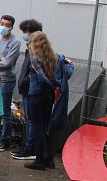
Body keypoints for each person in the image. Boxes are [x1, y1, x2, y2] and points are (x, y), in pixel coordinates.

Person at [26, 32, 73, 171]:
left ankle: (39, 159)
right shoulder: (55, 57)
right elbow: (68, 72)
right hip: (50, 96)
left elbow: (40, 77)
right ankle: (49, 159)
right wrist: (54, 86)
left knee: (37, 127)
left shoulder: (35, 58)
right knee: (47, 126)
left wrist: (50, 85)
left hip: (37, 94)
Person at [0, 14, 21, 152]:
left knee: (5, 111)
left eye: (7, 25)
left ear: (12, 27)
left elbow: (7, 63)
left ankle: (5, 139)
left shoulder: (15, 43)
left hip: (6, 80)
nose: (4, 27)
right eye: (2, 24)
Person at [12, 19, 42, 161]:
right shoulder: (30, 48)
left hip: (31, 90)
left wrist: (26, 81)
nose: (23, 35)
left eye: (25, 32)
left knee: (31, 120)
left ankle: (30, 148)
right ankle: (27, 146)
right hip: (26, 89)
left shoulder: (37, 50)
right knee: (28, 119)